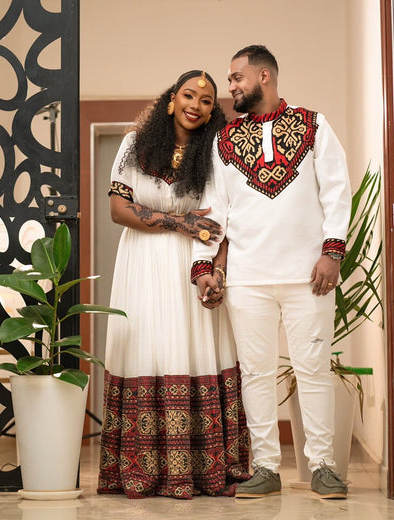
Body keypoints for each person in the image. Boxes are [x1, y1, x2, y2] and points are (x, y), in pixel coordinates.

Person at [191, 46, 352, 499]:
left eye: (236, 78)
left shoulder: (314, 125)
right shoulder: (223, 142)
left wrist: (332, 252)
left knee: (314, 370)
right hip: (247, 278)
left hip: (310, 277)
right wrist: (204, 265)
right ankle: (265, 466)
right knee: (256, 374)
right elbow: (214, 210)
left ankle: (322, 466)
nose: (231, 87)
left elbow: (337, 193)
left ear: (264, 76)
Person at [97, 70, 250, 499]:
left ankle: (205, 470)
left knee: (195, 345)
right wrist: (181, 222)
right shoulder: (133, 145)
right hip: (142, 262)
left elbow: (221, 218)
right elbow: (118, 209)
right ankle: (141, 470)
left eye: (206, 101)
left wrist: (215, 268)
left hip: (193, 264)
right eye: (188, 95)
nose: (196, 105)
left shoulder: (216, 154)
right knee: (148, 345)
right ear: (171, 99)